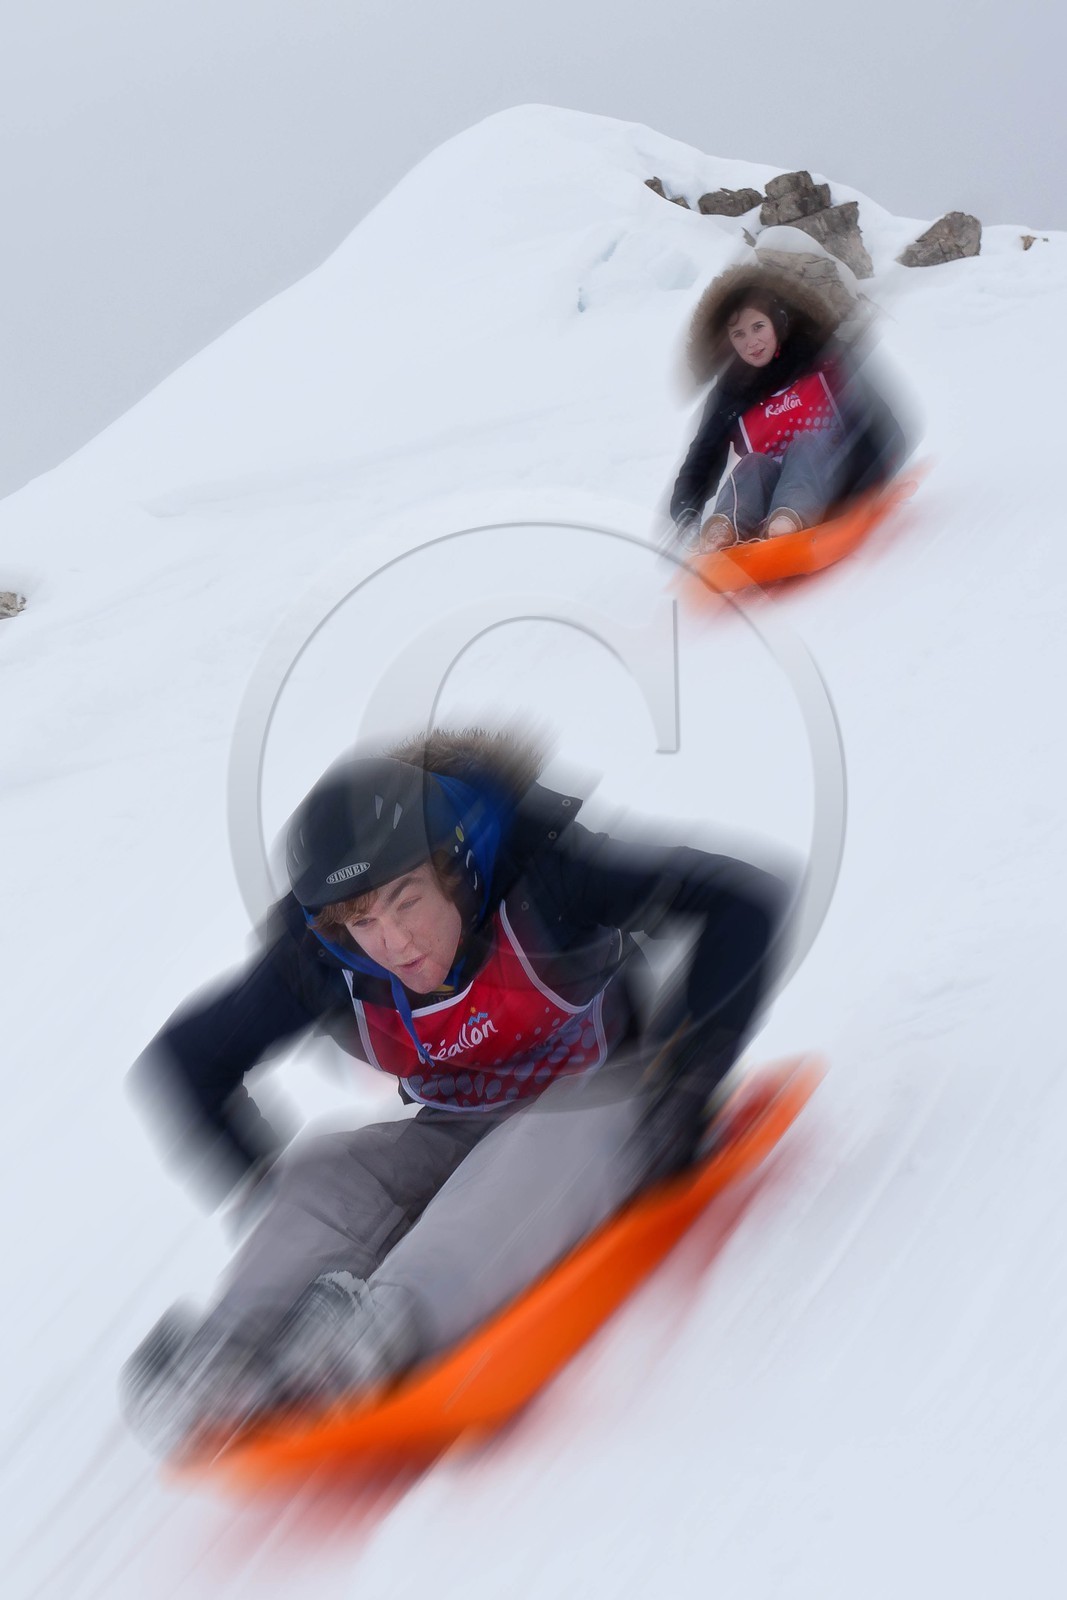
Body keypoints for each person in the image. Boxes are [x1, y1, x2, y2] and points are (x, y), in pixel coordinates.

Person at [121, 728, 790, 1458]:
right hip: (457, 1130)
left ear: (457, 867)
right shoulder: (327, 961)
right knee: (328, 1168)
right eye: (362, 922)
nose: (392, 943)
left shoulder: (545, 881)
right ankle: (232, 1351)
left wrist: (685, 1081)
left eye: (406, 900)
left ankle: (381, 1326)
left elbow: (740, 902)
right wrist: (261, 1194)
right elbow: (186, 1060)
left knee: (538, 1141)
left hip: (597, 1108)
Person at [669, 263, 907, 553]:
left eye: (758, 327)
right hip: (769, 498)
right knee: (752, 464)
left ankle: (788, 521)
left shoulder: (823, 361)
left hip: (836, 481)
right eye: (739, 335)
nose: (751, 343)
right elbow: (703, 455)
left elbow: (877, 420)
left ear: (777, 324)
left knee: (805, 443)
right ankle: (726, 526)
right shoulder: (730, 392)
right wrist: (686, 511)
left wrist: (871, 486)